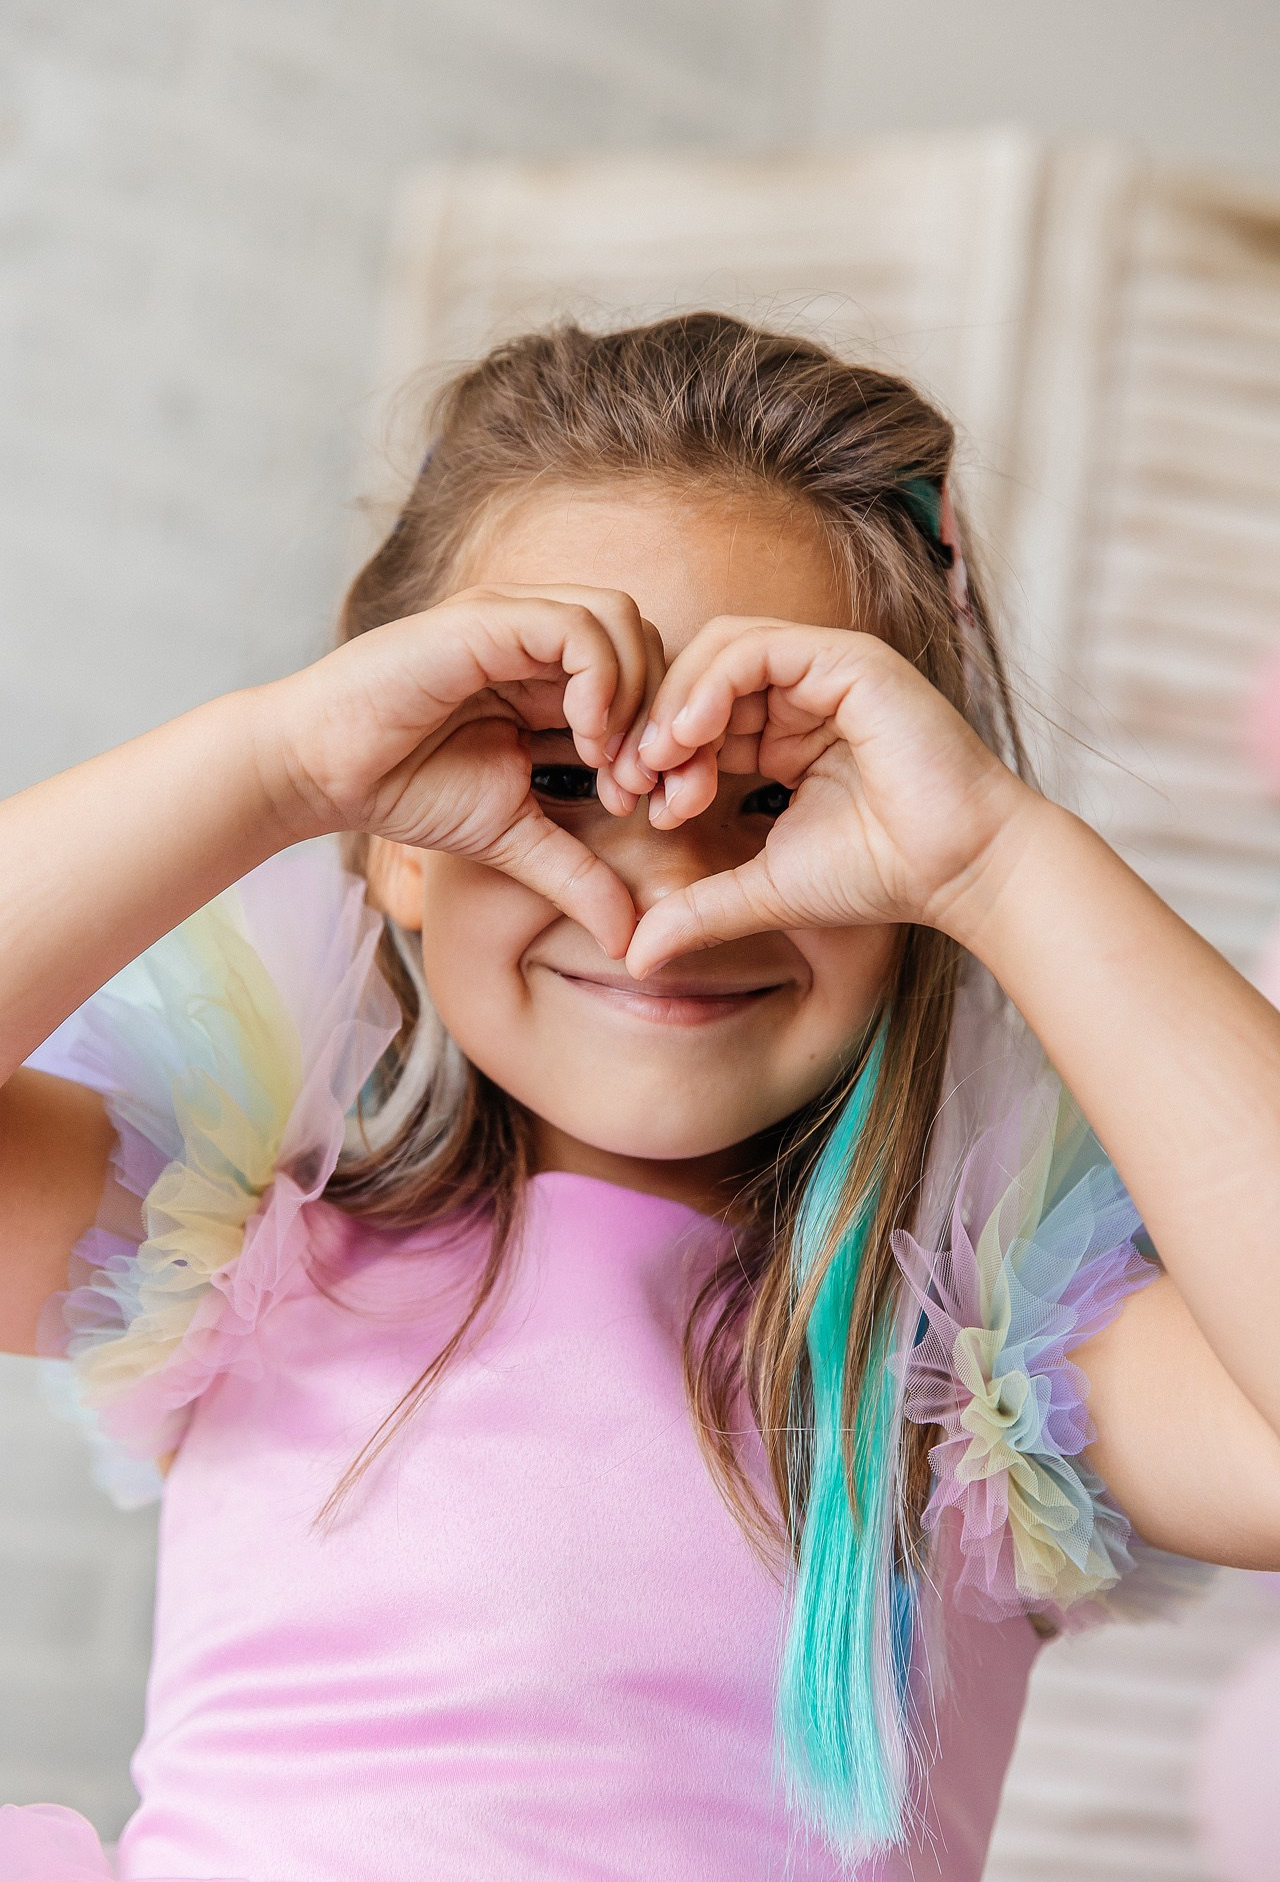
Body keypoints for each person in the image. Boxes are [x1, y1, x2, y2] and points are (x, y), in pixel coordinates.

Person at [1, 313, 1278, 1882]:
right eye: (555, 775)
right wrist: (279, 764)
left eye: (774, 795)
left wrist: (994, 858)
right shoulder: (239, 1247)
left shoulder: (971, 1378)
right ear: (393, 831)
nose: (669, 884)